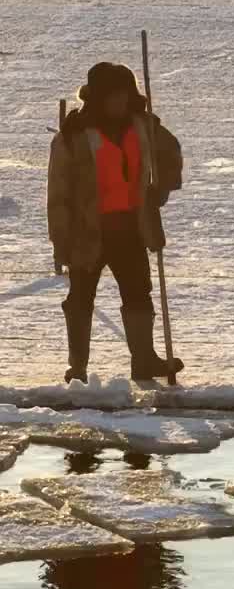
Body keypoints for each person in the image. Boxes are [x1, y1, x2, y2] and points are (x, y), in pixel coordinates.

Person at [48, 62, 185, 384]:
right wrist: (60, 240)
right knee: (80, 299)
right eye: (113, 96)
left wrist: (161, 187)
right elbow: (58, 193)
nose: (120, 102)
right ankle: (78, 367)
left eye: (124, 95)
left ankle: (145, 361)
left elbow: (171, 152)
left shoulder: (143, 126)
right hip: (87, 233)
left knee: (138, 294)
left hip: (132, 228)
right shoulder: (74, 135)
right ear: (97, 98)